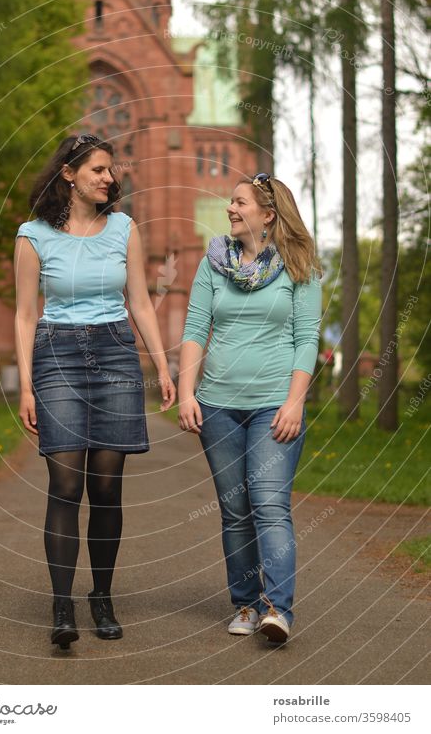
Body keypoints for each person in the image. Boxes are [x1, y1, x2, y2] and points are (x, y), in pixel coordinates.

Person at [14, 133, 175, 649]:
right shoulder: (32, 235)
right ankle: (62, 606)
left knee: (106, 488)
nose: (110, 178)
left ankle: (99, 596)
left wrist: (162, 367)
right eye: (99, 170)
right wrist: (26, 387)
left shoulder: (124, 228)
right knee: (66, 484)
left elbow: (142, 303)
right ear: (69, 174)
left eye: (111, 171)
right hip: (57, 354)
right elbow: (23, 315)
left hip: (114, 353)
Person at [178, 172, 322, 644]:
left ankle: (278, 609)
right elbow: (196, 328)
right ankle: (244, 601)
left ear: (268, 214)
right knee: (235, 510)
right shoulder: (213, 263)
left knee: (270, 506)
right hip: (218, 404)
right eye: (231, 202)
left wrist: (295, 401)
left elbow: (307, 340)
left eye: (239, 202)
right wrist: (185, 393)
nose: (230, 209)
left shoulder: (299, 265)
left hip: (274, 406)